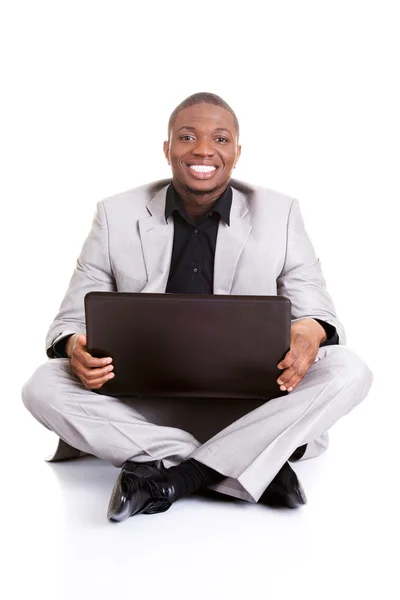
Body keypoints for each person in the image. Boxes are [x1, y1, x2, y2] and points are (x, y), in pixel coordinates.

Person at [22, 92, 373, 522]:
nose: (203, 150)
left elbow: (315, 304)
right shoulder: (115, 214)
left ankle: (173, 476)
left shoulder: (280, 213)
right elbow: (71, 318)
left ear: (237, 152)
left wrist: (309, 332)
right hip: (141, 401)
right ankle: (245, 462)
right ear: (167, 148)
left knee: (349, 369)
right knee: (42, 385)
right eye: (187, 137)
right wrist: (76, 345)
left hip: (252, 401)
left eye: (220, 139)